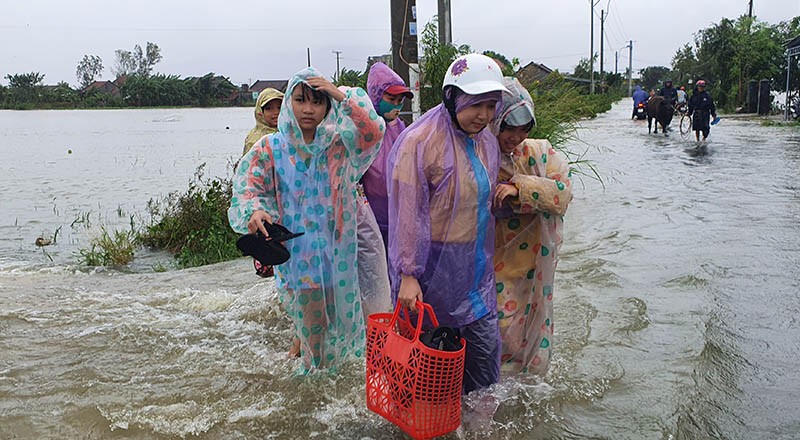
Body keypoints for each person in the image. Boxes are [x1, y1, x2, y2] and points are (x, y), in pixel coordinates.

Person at [228, 67, 385, 372]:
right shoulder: (271, 148)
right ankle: (311, 390)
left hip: (338, 258)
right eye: (300, 100)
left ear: (328, 107)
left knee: (343, 337)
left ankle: (326, 399)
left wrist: (340, 93)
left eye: (317, 101)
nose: (308, 109)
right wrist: (255, 211)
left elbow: (373, 130)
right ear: (289, 102)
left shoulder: (339, 145)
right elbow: (248, 185)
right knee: (316, 343)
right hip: (301, 260)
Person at [387, 53, 508, 394]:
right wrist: (408, 275)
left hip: (475, 270)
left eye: (491, 106)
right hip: (431, 270)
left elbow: (480, 194)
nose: (483, 116)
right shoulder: (419, 142)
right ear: (453, 97)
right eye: (475, 105)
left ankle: (481, 429)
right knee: (430, 367)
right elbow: (407, 215)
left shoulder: (484, 140)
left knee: (484, 367)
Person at [490, 77, 573, 376]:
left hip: (533, 265)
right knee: (501, 330)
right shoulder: (479, 154)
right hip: (494, 263)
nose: (515, 136)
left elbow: (563, 193)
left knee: (532, 327)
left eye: (523, 129)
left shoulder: (539, 152)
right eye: (508, 127)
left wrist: (519, 188)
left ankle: (526, 394)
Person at [362, 62, 414, 249]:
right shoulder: (365, 127)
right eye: (391, 99)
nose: (396, 105)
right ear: (376, 94)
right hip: (370, 217)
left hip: (399, 216)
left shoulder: (402, 128)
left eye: (400, 100)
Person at [243, 88, 283, 155]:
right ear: (260, 112)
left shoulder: (293, 133)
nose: (276, 112)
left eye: (279, 107)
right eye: (269, 108)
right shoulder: (255, 140)